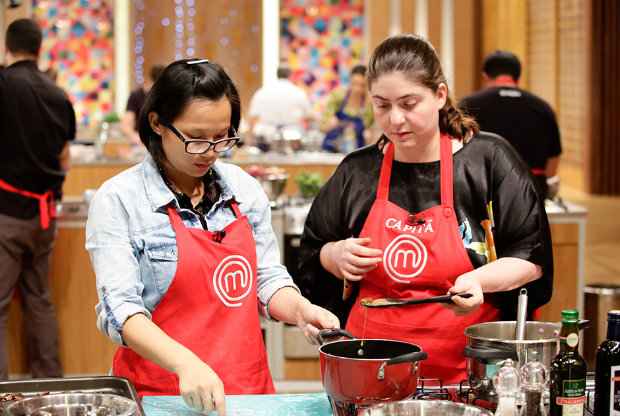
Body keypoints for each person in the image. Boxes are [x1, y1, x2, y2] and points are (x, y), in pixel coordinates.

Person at [85, 58, 339, 414]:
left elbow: (265, 280)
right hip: (162, 396)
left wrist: (300, 310)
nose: (210, 152)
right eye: (196, 139)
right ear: (157, 123)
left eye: (222, 138)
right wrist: (184, 363)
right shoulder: (120, 200)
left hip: (248, 392)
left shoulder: (244, 190)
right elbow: (121, 313)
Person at [295, 35, 553, 383]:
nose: (395, 119)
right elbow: (312, 251)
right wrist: (334, 255)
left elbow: (530, 255)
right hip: (370, 365)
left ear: (440, 95)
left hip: (465, 371)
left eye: (409, 103)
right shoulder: (357, 171)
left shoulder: (488, 160)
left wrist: (479, 279)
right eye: (382, 105)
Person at [0, 18, 75, 379]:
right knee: (39, 300)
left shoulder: (3, 85)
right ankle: (48, 382)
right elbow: (65, 157)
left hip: (7, 213)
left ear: (7, 47)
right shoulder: (57, 94)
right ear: (39, 48)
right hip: (45, 215)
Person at [459, 51, 562, 199]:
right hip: (531, 191)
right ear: (518, 78)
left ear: (485, 77)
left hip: (482, 190)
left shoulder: (468, 105)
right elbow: (553, 161)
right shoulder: (543, 107)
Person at [247, 65, 312, 150]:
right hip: (292, 137)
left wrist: (249, 139)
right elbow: (309, 115)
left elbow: (253, 116)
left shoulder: (263, 91)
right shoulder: (298, 92)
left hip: (266, 137)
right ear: (290, 76)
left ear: (277, 75)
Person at [320, 64, 374, 153]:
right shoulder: (338, 97)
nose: (357, 89)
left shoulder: (369, 105)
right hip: (332, 150)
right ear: (349, 81)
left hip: (356, 154)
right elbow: (322, 128)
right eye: (354, 84)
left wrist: (368, 137)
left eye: (362, 85)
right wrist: (331, 124)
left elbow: (369, 132)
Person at [120, 64, 165, 145]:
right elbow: (126, 124)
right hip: (141, 144)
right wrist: (135, 137)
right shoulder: (136, 95)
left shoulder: (166, 96)